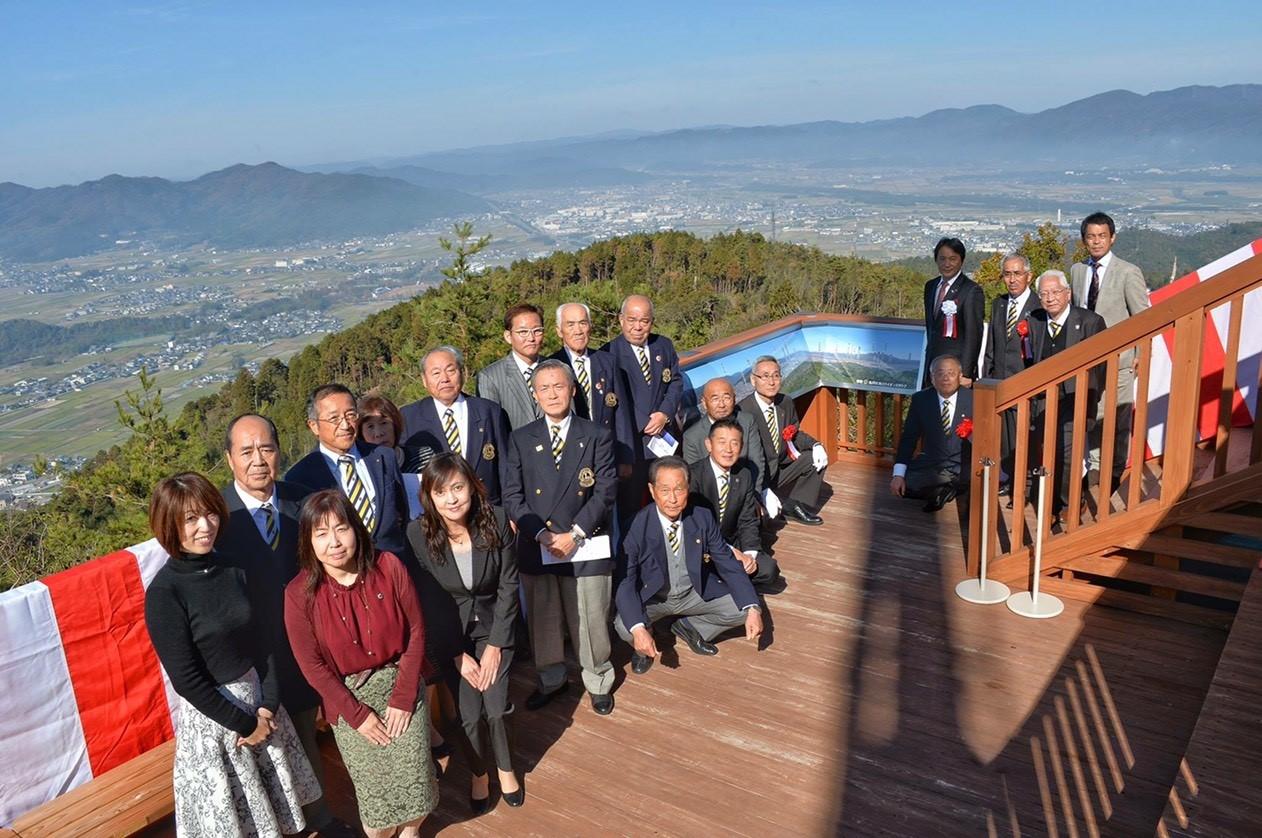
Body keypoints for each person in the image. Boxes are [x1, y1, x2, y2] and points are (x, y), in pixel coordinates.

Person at [144, 472, 320, 837]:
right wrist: (246, 725)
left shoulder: (234, 568)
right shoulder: (165, 593)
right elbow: (187, 679)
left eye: (209, 514)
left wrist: (268, 705)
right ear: (168, 525)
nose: (204, 526)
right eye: (190, 519)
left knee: (278, 817)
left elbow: (265, 639)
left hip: (260, 706)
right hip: (217, 723)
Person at [215, 414, 351, 836]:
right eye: (247, 451)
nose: (259, 460)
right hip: (256, 655)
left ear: (279, 451)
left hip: (314, 640)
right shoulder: (217, 517)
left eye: (266, 449)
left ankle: (321, 818)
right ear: (229, 459)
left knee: (310, 730)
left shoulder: (303, 501)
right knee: (273, 743)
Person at [283, 490, 437, 838]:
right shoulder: (298, 594)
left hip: (402, 684)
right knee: (377, 805)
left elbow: (415, 632)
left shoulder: (388, 567)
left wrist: (402, 697)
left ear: (356, 528)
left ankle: (411, 834)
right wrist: (357, 715)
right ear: (308, 542)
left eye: (341, 528)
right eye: (321, 534)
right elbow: (312, 666)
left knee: (416, 781)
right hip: (348, 700)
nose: (334, 542)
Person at [408, 453, 524, 814]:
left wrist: (495, 645)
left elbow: (508, 586)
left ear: (472, 487)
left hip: (495, 628)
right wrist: (457, 654)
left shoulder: (498, 520)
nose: (452, 498)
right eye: (441, 492)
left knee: (496, 707)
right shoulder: (418, 534)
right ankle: (478, 772)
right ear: (429, 496)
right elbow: (428, 601)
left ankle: (505, 768)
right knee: (469, 715)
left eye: (458, 487)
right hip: (451, 636)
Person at [501, 359, 619, 715]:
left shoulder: (596, 434)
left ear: (573, 390)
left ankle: (598, 679)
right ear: (535, 395)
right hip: (540, 543)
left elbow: (606, 489)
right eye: (544, 388)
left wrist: (576, 533)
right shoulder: (520, 438)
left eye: (559, 386)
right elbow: (512, 494)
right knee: (544, 617)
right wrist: (540, 533)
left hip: (586, 539)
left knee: (591, 618)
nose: (552, 394)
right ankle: (552, 679)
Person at [615, 456, 763, 675]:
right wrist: (638, 629)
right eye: (664, 490)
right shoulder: (635, 527)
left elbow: (727, 562)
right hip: (654, 598)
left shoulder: (701, 517)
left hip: (694, 592)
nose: (673, 498)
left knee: (742, 609)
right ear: (652, 490)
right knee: (625, 626)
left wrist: (753, 607)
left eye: (679, 489)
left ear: (688, 488)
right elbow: (625, 582)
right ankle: (645, 644)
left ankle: (691, 627)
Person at [1070, 212, 1151, 488]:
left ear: (1112, 238)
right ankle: (1094, 468)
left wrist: (1141, 353)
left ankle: (1114, 471)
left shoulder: (1129, 272)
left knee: (1117, 417)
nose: (1096, 241)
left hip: (1121, 359)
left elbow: (1143, 317)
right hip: (1088, 360)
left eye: (1102, 236)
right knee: (1093, 412)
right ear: (1084, 240)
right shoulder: (1077, 270)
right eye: (1091, 236)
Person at [285, 383, 411, 558]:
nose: (345, 425)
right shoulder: (299, 477)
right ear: (314, 426)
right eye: (334, 418)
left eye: (350, 415)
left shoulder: (383, 456)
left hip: (393, 566)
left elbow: (402, 512)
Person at [1029, 270, 1107, 522]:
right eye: (1043, 294)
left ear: (1067, 294)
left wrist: (1091, 399)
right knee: (1046, 451)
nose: (1049, 298)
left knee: (1067, 454)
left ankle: (1068, 502)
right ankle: (1050, 502)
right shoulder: (1035, 321)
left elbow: (1102, 367)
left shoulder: (1090, 322)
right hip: (1044, 399)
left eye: (1055, 292)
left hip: (1076, 398)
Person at [601, 294, 683, 526]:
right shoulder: (608, 354)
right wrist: (644, 422)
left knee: (669, 500)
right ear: (621, 320)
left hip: (664, 440)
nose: (638, 327)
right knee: (632, 508)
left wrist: (663, 414)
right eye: (632, 320)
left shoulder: (663, 345)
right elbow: (613, 399)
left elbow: (676, 382)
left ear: (652, 322)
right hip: (632, 446)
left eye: (644, 321)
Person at [400, 345, 511, 506]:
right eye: (436, 373)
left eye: (450, 370)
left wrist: (509, 510)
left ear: (462, 372)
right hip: (437, 515)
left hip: (487, 508)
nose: (444, 379)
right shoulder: (409, 417)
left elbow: (506, 466)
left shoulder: (489, 411)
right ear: (424, 380)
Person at [687, 417, 781, 593]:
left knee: (768, 570)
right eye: (721, 442)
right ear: (709, 444)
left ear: (742, 446)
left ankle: (725, 582)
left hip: (731, 542)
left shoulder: (744, 475)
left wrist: (750, 554)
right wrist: (728, 551)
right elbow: (695, 526)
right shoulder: (694, 476)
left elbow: (747, 520)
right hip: (702, 545)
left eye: (734, 443)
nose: (728, 450)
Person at [739, 356, 827, 525]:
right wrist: (762, 488)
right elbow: (744, 459)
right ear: (753, 380)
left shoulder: (785, 402)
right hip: (756, 475)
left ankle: (796, 505)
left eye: (776, 375)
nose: (771, 382)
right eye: (765, 376)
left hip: (780, 466)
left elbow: (793, 433)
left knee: (812, 459)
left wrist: (815, 444)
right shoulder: (743, 411)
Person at [548, 301, 634, 469]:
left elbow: (621, 414)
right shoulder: (551, 366)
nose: (578, 330)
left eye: (583, 323)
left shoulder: (607, 362)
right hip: (569, 458)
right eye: (570, 324)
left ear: (590, 327)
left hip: (606, 455)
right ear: (559, 331)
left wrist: (625, 458)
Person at [981, 254, 1041, 495]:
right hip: (999, 381)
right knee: (1004, 437)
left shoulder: (1039, 307)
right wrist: (987, 378)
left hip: (1025, 384)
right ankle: (1010, 478)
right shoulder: (999, 304)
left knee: (1024, 437)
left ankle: (1025, 485)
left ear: (1029, 276)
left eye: (1017, 273)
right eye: (1007, 274)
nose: (1012, 279)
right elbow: (992, 346)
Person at [891, 355, 975, 513]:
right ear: (932, 377)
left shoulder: (974, 399)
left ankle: (948, 488)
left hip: (964, 464)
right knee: (904, 485)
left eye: (951, 373)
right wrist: (898, 475)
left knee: (973, 481)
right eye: (940, 373)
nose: (945, 378)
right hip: (933, 464)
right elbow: (909, 438)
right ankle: (945, 490)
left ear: (960, 376)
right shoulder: (921, 399)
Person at [681, 377, 768, 495]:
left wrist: (753, 495)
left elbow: (757, 461)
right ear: (704, 403)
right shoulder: (692, 437)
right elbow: (695, 478)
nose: (721, 405)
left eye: (726, 398)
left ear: (734, 399)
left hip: (749, 491)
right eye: (715, 399)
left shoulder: (746, 421)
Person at [921, 237, 985, 386]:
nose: (947, 264)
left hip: (956, 371)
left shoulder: (971, 290)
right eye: (942, 259)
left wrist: (967, 373)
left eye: (952, 259)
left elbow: (973, 334)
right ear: (936, 260)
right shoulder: (930, 286)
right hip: (932, 368)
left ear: (961, 261)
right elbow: (932, 327)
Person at [477, 303, 546, 431]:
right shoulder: (490, 377)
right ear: (508, 336)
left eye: (537, 331)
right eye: (523, 332)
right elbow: (491, 427)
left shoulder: (557, 369)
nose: (531, 338)